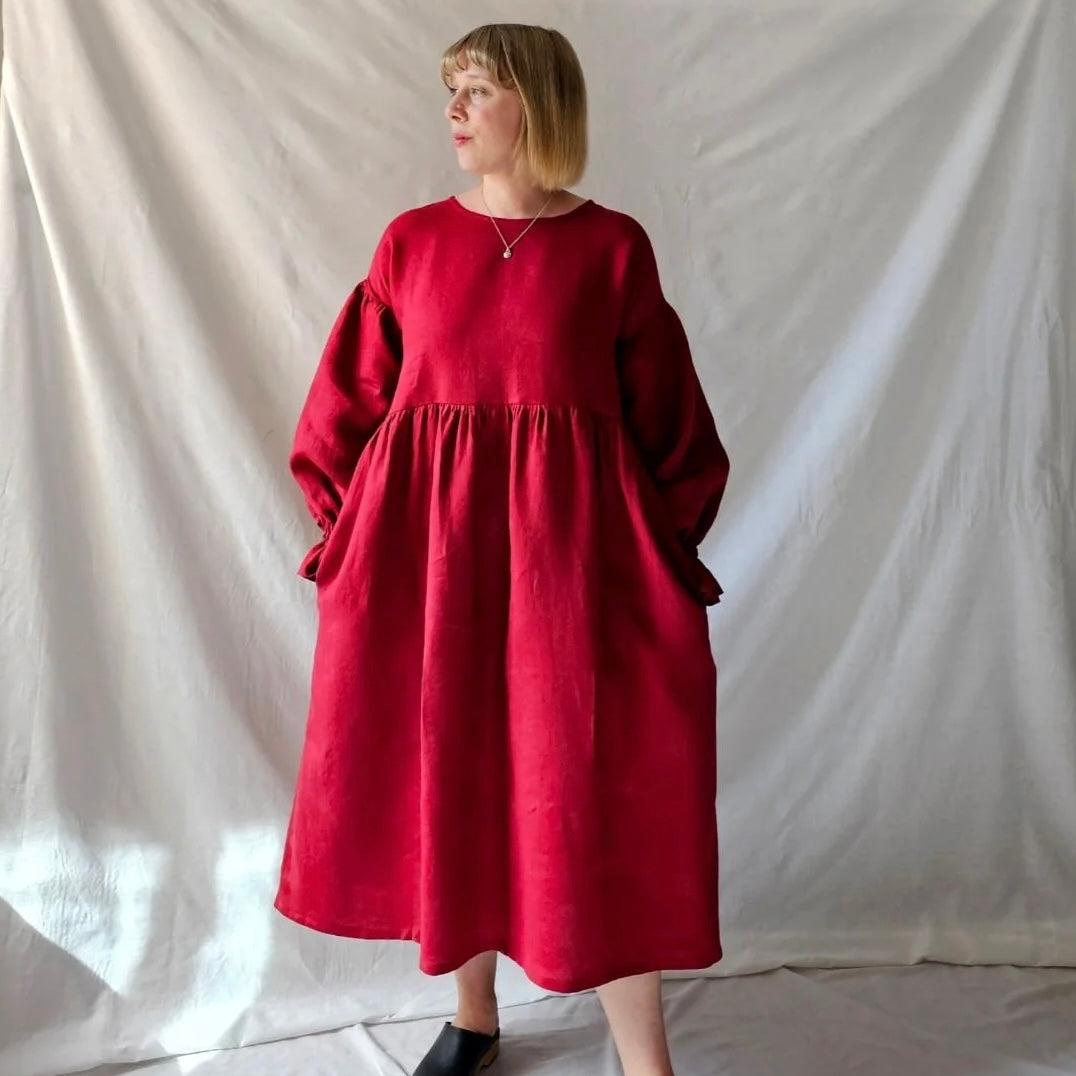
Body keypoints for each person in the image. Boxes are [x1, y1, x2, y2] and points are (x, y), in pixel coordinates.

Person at [273, 22, 731, 1076]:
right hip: (432, 572)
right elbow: (346, 398)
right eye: (453, 90)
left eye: (475, 89)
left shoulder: (611, 248)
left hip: (578, 578)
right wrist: (342, 539)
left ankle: (643, 1058)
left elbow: (671, 425)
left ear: (536, 103)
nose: (454, 110)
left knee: (602, 788)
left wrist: (664, 555)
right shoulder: (410, 243)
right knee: (456, 773)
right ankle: (475, 1014)